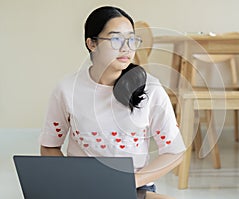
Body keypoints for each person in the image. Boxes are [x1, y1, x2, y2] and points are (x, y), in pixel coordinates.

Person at [39, 6, 186, 199]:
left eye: (132, 39)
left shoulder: (151, 88)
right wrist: (72, 180)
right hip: (83, 189)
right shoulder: (66, 89)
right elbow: (49, 146)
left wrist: (132, 181)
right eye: (116, 39)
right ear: (92, 44)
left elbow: (174, 152)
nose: (127, 48)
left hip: (135, 188)